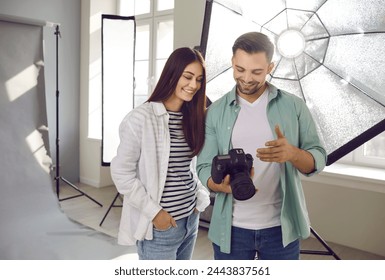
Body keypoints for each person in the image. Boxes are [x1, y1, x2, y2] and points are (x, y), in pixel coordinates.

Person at [196, 32, 327, 260]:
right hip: (231, 229)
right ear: (232, 63)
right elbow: (204, 166)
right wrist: (218, 185)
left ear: (270, 67)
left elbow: (318, 158)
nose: (246, 78)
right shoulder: (215, 112)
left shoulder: (294, 107)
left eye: (256, 71)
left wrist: (293, 154)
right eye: (240, 69)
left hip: (281, 229)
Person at [110, 47, 210, 260]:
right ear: (172, 74)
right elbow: (122, 175)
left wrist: (200, 198)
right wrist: (155, 213)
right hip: (161, 226)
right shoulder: (140, 119)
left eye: (199, 79)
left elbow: (187, 167)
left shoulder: (192, 118)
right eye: (188, 77)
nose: (193, 85)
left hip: (191, 219)